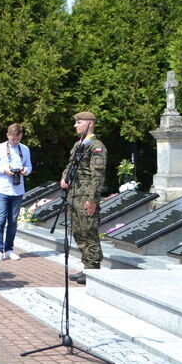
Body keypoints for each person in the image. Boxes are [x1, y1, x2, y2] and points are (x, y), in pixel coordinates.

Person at [61, 112, 106, 285]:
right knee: (78, 232)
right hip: (74, 194)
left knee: (89, 232)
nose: (75, 125)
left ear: (90, 124)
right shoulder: (78, 144)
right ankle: (87, 266)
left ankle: (93, 270)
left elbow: (98, 176)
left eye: (79, 122)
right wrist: (64, 177)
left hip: (86, 196)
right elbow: (70, 165)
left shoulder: (96, 146)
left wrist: (92, 200)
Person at [0, 123, 33, 263]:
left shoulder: (24, 149)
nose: (15, 142)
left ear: (21, 136)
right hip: (2, 189)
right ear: (7, 136)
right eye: (13, 139)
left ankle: (9, 249)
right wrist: (4, 171)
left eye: (18, 139)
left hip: (18, 190)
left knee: (13, 222)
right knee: (0, 220)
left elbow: (29, 166)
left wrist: (25, 170)